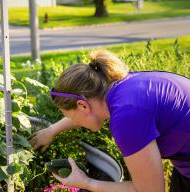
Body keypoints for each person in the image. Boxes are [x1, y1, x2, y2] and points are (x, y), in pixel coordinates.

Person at [29, 50, 190, 192]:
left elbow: (151, 190)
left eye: (70, 117)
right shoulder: (119, 87)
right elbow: (85, 114)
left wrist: (87, 183)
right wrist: (51, 131)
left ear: (82, 105)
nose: (71, 121)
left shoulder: (127, 118)